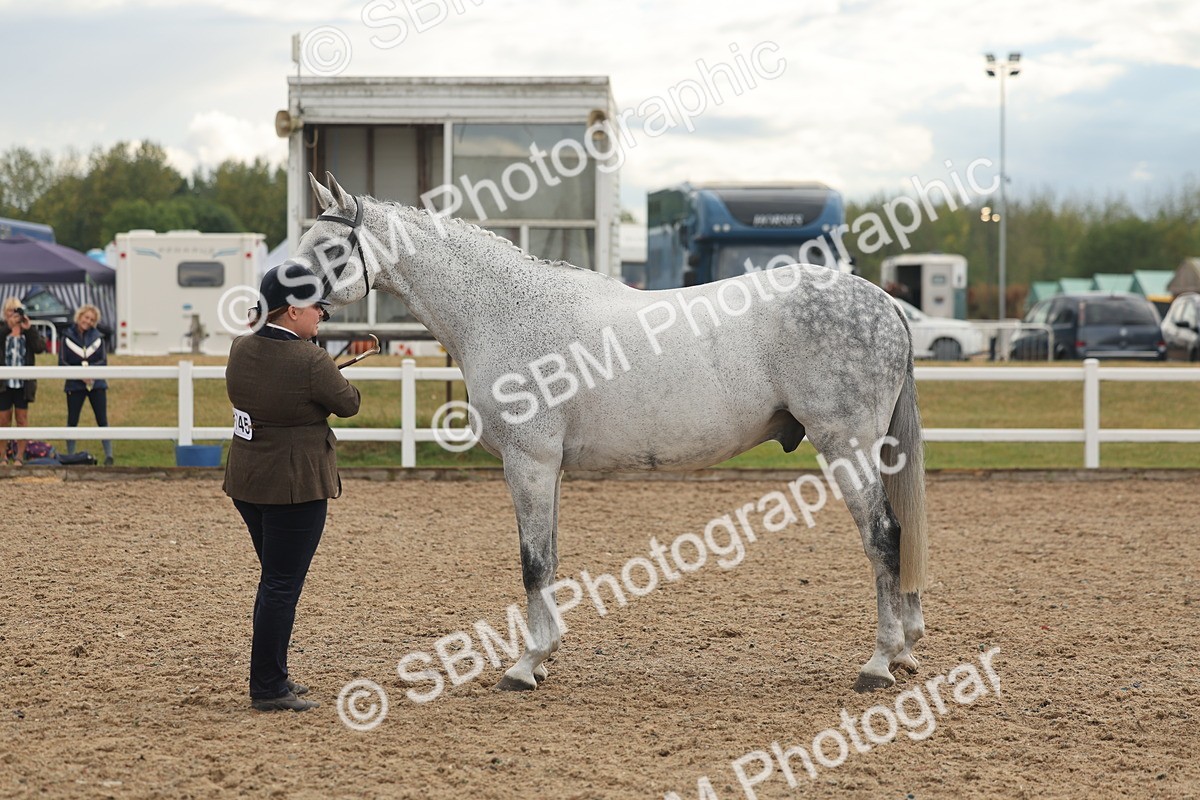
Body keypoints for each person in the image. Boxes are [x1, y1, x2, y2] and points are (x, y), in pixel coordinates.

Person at [223, 264, 360, 712]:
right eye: (316, 305)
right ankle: (267, 687)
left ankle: (275, 674)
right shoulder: (311, 359)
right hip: (294, 486)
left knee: (275, 581)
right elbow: (349, 404)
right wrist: (322, 365)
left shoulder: (241, 347)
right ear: (293, 309)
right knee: (280, 586)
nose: (321, 313)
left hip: (248, 481)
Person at [60, 304, 114, 465]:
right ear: (80, 316)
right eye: (86, 317)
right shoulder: (66, 336)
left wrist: (91, 373)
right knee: (73, 420)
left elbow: (103, 361)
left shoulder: (98, 338)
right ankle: (71, 455)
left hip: (96, 384)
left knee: (102, 419)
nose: (88, 321)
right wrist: (79, 374)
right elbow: (62, 362)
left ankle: (109, 455)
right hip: (75, 385)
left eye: (92, 319)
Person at [1, 297, 47, 467]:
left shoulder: (27, 331)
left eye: (17, 311)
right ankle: (2, 457)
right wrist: (8, 327)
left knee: (22, 420)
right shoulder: (2, 329)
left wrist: (29, 329)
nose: (14, 315)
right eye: (10, 311)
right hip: (4, 384)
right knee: (3, 420)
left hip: (23, 384)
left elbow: (40, 347)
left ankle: (19, 457)